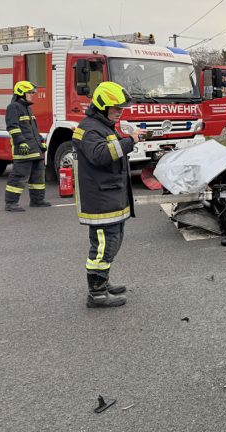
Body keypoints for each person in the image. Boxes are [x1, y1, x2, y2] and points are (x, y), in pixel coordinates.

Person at [73, 82, 146, 308]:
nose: (120, 111)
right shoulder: (89, 128)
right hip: (101, 201)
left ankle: (103, 284)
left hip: (110, 198)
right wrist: (130, 141)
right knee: (102, 247)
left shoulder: (103, 126)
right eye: (116, 107)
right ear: (103, 105)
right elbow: (101, 155)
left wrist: (128, 140)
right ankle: (96, 294)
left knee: (112, 243)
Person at [4, 81, 50, 212]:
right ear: (21, 93)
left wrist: (41, 141)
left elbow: (33, 129)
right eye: (29, 92)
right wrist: (21, 142)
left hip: (35, 149)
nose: (32, 95)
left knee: (38, 177)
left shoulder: (27, 108)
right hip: (24, 150)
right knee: (19, 176)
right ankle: (11, 203)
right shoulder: (14, 107)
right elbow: (13, 127)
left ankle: (37, 200)